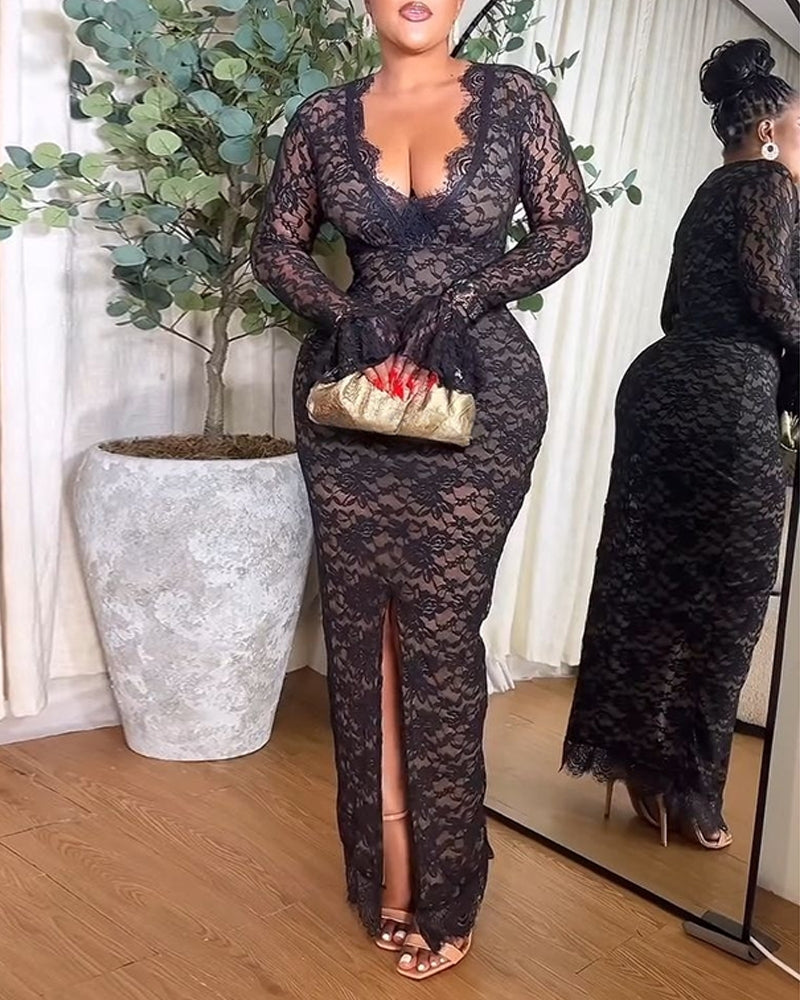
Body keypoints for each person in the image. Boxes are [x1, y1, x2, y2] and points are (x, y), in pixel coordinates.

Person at [251, 0, 591, 980]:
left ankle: (447, 889)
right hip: (351, 391)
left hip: (479, 388)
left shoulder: (514, 100)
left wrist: (466, 294)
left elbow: (566, 228)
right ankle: (385, 873)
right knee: (361, 632)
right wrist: (338, 310)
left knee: (440, 631)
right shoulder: (322, 116)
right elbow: (276, 244)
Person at [562, 39, 799, 850]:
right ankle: (692, 788)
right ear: (767, 130)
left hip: (660, 382)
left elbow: (673, 307)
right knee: (730, 595)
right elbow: (768, 290)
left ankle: (638, 763)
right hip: (727, 395)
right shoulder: (771, 183)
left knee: (650, 581)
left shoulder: (707, 192)